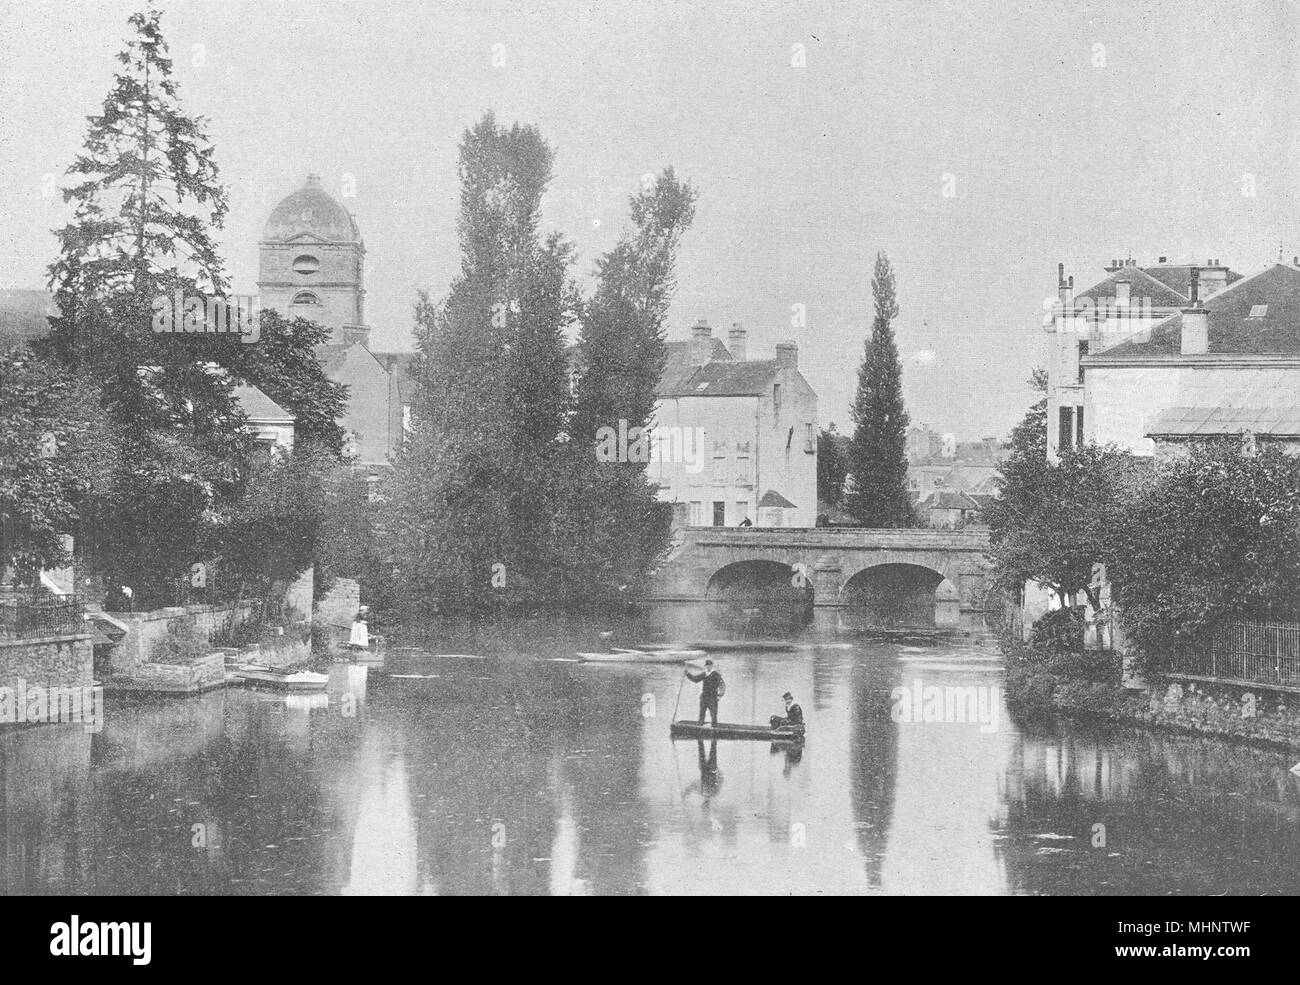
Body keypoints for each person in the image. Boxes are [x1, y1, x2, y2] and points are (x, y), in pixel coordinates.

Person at [685, 659, 724, 726]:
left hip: (713, 697)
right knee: (702, 714)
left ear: (712, 666)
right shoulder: (704, 674)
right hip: (704, 697)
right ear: (705, 666)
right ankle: (700, 727)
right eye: (707, 666)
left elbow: (722, 686)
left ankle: (714, 728)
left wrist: (719, 696)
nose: (708, 667)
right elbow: (695, 679)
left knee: (713, 714)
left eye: (709, 665)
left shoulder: (716, 675)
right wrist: (687, 674)